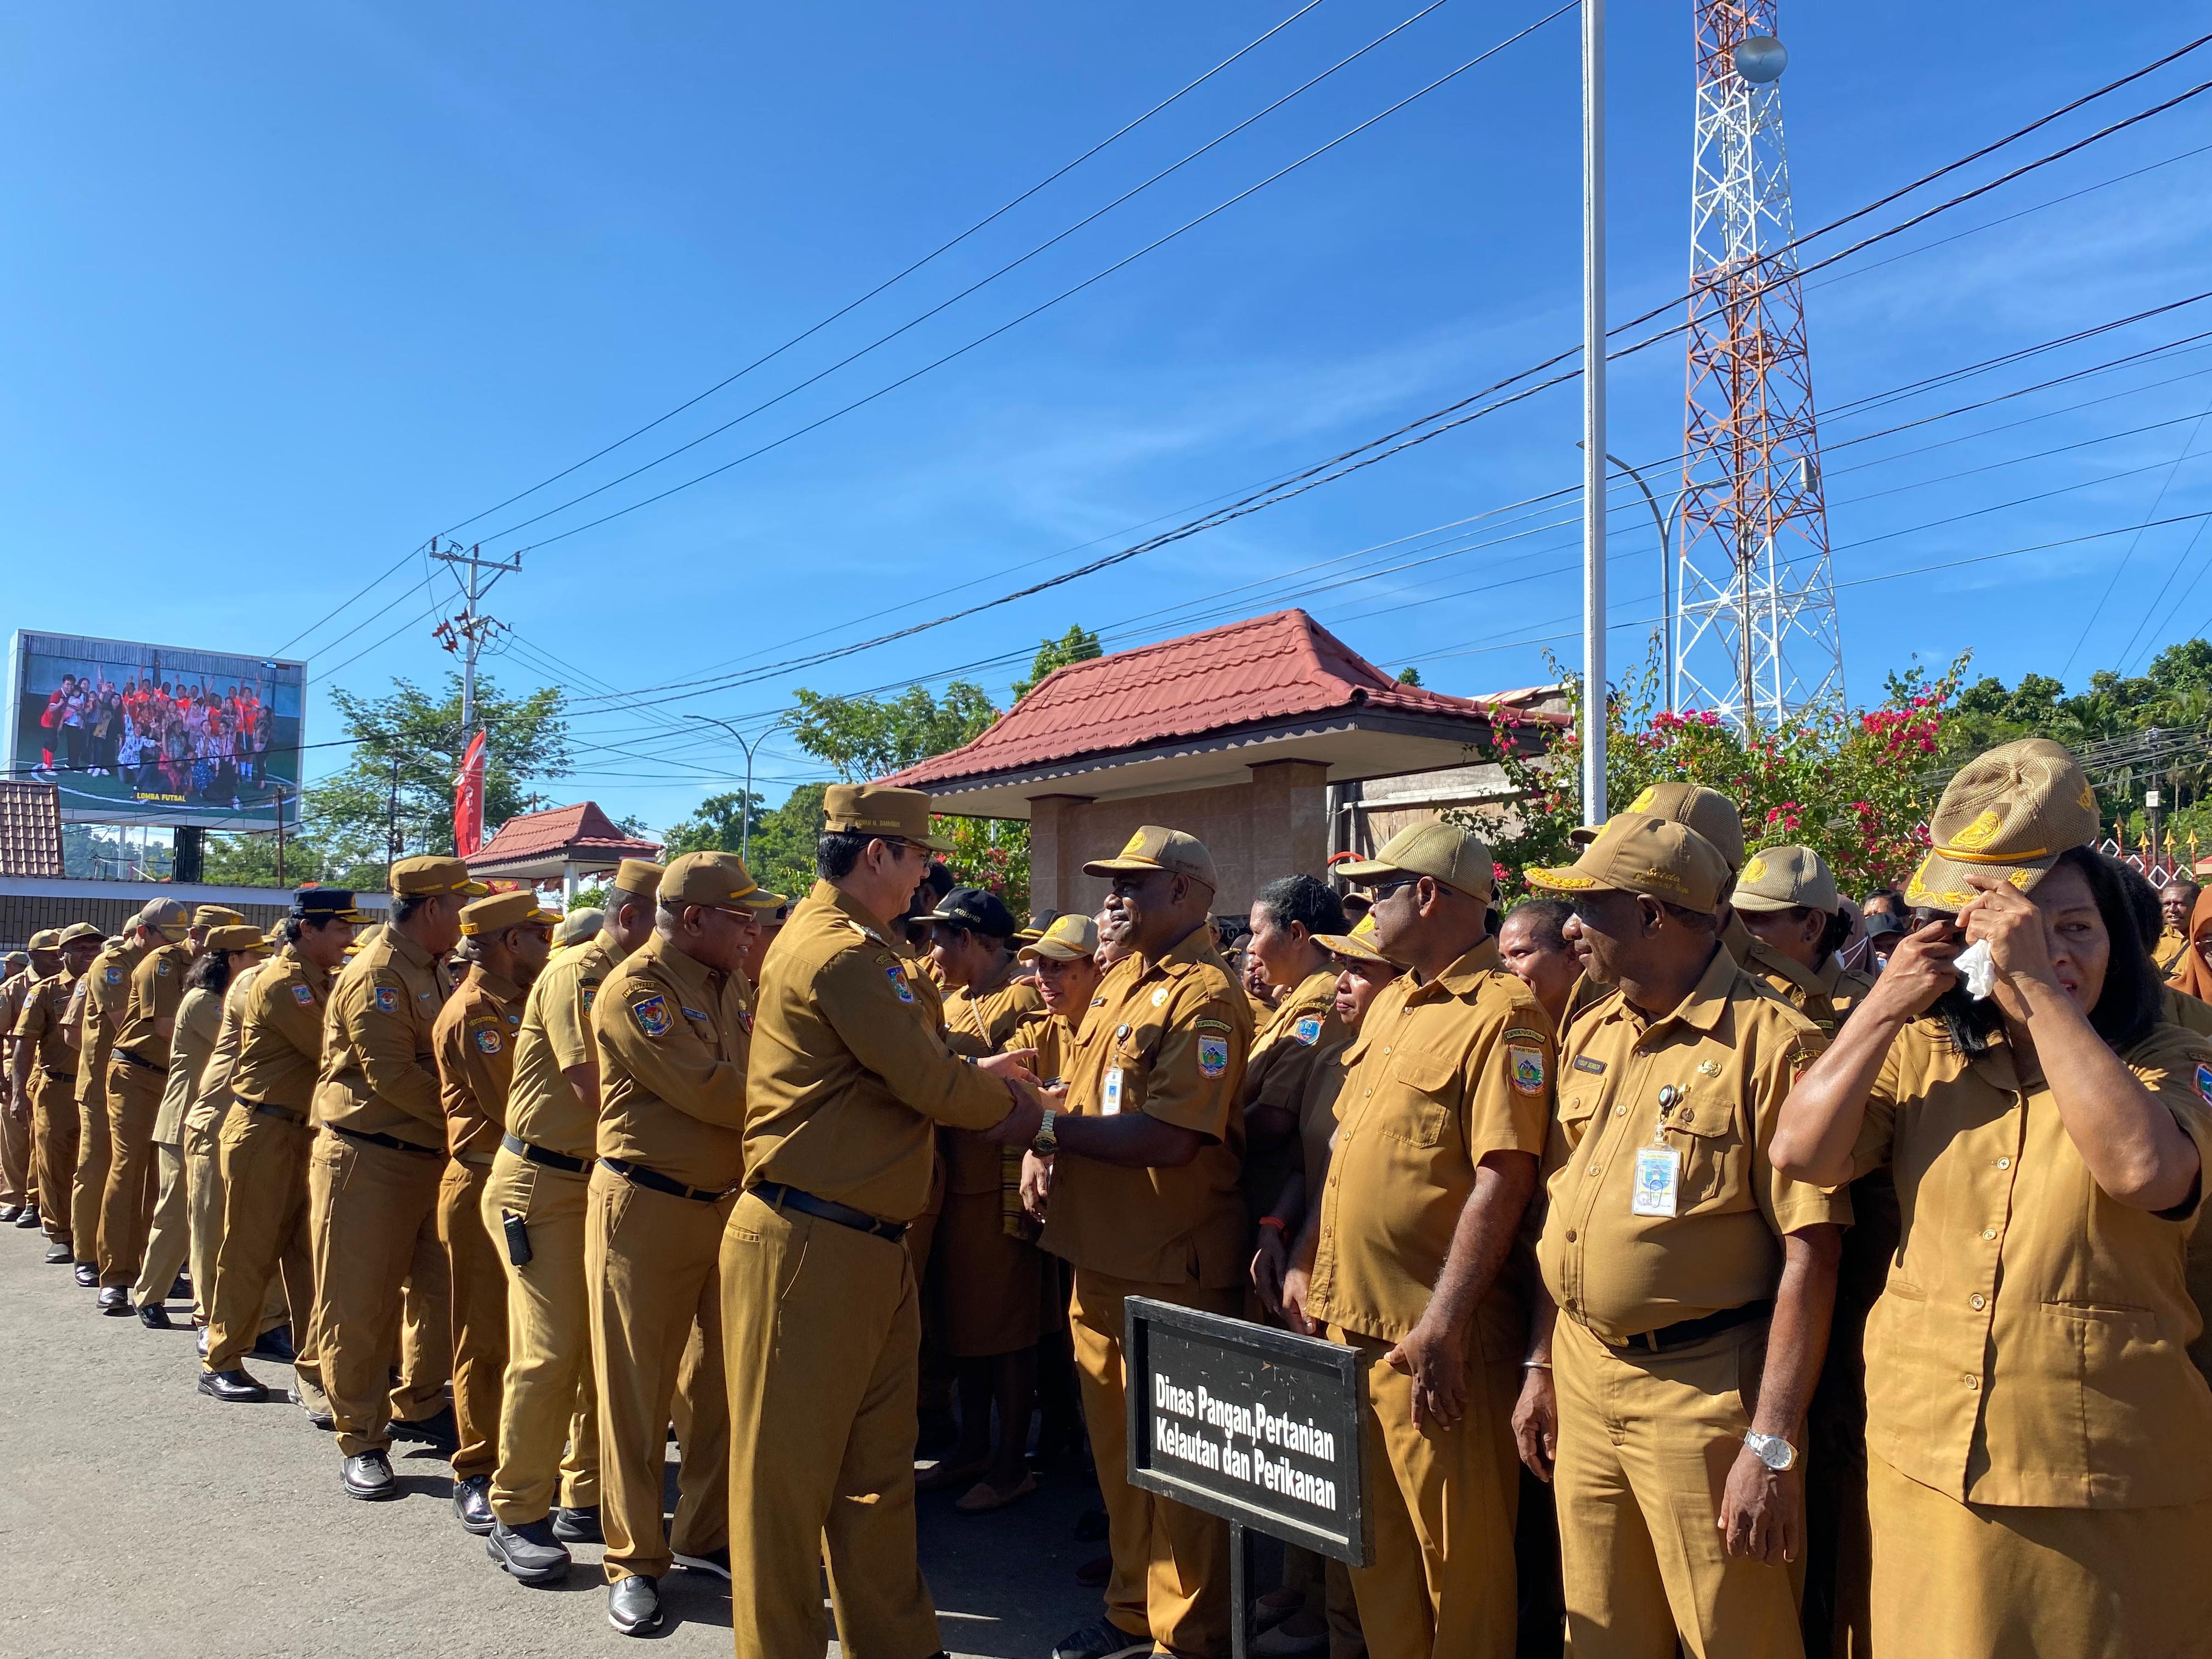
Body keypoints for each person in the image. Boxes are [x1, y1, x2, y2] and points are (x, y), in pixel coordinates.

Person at [1774, 739, 2212, 1658]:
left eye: (2077, 927)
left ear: (2121, 941)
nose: (2055, 948)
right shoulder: (1927, 1054)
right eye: (2016, 926)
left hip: (2101, 1482)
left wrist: (2036, 987)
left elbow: (2146, 1173)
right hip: (1923, 1461)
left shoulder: (2170, 1060)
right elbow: (1801, 1152)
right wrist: (1885, 1002)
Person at [725, 784, 1043, 1659]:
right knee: (785, 1488)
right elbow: (933, 1087)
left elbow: (920, 1058)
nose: (926, 883)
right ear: (876, 855)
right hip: (809, 1243)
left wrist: (983, 1066)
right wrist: (1029, 1110)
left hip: (864, 1241)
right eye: (918, 862)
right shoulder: (842, 955)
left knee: (876, 1478)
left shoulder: (865, 949)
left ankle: (897, 1644)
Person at [1520, 812, 1845, 1658]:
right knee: (1599, 1634)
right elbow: (1570, 1216)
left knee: (1735, 1635)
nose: (1570, 927)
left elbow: (1811, 1254)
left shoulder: (1777, 1046)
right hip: (1588, 1379)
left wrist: (1770, 1445)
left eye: (1590, 905)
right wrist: (1543, 1364)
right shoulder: (1591, 1030)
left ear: (1653, 915)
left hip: (1704, 1399)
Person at [1278, 823, 1553, 1658]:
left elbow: (1504, 1178)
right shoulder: (1395, 998)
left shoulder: (1505, 1015)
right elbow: (1352, 1148)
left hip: (1434, 1342)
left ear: (1427, 894)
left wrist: (1445, 1322)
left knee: (1457, 1575)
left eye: (1378, 891)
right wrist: (1305, 1259)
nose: (1365, 907)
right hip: (1351, 1327)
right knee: (1379, 1564)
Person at [1030, 825, 1254, 1659]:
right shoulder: (1124, 983)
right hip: (1102, 1256)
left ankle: (1184, 1637)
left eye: (1136, 882)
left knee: (1181, 1472)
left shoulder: (1204, 995)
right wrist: (1043, 1137)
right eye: (1112, 883)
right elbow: (1085, 1102)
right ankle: (1132, 1614)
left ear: (1190, 895)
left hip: (1171, 1262)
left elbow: (1172, 1138)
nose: (1115, 898)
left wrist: (1046, 1125)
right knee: (1125, 1463)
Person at [589, 852, 783, 1635]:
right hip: (648, 1208)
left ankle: (702, 1535)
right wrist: (809, 1103)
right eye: (741, 918)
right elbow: (713, 1091)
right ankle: (633, 1560)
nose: (754, 930)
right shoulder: (637, 991)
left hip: (723, 1206)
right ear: (693, 919)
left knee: (719, 1388)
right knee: (637, 1395)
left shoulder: (732, 983)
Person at [483, 859, 663, 1587]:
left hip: (592, 1183)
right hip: (543, 1182)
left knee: (599, 1351)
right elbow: (596, 1090)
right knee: (549, 1352)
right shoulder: (580, 976)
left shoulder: (640, 977)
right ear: (631, 918)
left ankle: (580, 1494)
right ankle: (515, 1509)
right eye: (669, 922)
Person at [309, 855, 482, 1498]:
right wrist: (470, 1115)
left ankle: (418, 1400)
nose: (464, 917)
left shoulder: (433, 968)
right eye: (459, 904)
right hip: (369, 1156)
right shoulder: (378, 973)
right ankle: (360, 1435)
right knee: (360, 1301)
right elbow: (393, 1076)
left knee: (438, 1292)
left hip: (427, 1157)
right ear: (432, 909)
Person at [200, 889, 364, 1404]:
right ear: (308, 929)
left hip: (301, 1131)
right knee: (249, 1251)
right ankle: (221, 1358)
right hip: (263, 1131)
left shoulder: (317, 981)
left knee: (308, 1255)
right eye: (341, 930)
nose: (349, 940)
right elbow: (331, 1049)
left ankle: (312, 1368)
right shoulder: (280, 983)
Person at [919, 885, 1051, 1514]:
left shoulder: (1022, 999)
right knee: (963, 1324)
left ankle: (1008, 1463)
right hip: (954, 1182)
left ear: (970, 939)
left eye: (942, 938)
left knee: (1008, 1330)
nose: (934, 951)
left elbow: (1041, 1088)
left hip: (1001, 1184)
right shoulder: (953, 997)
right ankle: (971, 1447)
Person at [431, 891, 557, 1536]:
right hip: (484, 1180)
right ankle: (475, 1468)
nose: (548, 945)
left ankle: (521, 1458)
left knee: (523, 1336)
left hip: (518, 1185)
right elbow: (520, 1105)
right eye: (539, 935)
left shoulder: (518, 1002)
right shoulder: (476, 1013)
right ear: (511, 943)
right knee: (482, 1336)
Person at [127, 924, 268, 1326]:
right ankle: (148, 1293)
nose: (259, 962)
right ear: (231, 960)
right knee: (174, 1213)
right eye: (253, 956)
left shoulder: (220, 1000)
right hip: (185, 1118)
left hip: (212, 1121)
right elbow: (246, 1044)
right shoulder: (205, 1002)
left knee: (205, 1215)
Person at [98, 896, 195, 1311]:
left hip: (169, 1078)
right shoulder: (154, 964)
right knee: (129, 1170)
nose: (173, 944)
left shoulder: (186, 962)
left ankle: (155, 1269)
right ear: (143, 932)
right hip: (137, 1074)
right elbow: (162, 1027)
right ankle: (117, 1275)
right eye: (164, 936)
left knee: (164, 1178)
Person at [72, 913, 150, 1290]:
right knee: (97, 1170)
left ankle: (134, 1259)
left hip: (141, 1084)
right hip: (103, 1084)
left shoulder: (160, 966)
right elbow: (79, 1027)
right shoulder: (110, 966)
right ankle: (87, 1254)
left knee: (139, 1175)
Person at [1733, 846, 1874, 1034]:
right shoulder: (1731, 992)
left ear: (1812, 926)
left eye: (1758, 917)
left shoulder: (1864, 1006)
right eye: (1735, 917)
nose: (1739, 929)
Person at [1497, 899, 1580, 1031]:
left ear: (1571, 956)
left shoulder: (1609, 1028)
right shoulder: (1500, 1028)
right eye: (1503, 957)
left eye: (1520, 953)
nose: (1506, 970)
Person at [0, 946, 38, 1226]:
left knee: (43, 1141)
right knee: (15, 1138)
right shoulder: (13, 989)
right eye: (47, 954)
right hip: (15, 1066)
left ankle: (37, 1201)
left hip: (50, 1067)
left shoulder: (74, 983)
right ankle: (14, 1197)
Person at [2157, 879, 2201, 978]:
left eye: (2180, 904)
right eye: (2167, 904)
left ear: (2197, 905)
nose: (2172, 910)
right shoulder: (2153, 941)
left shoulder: (2206, 941)